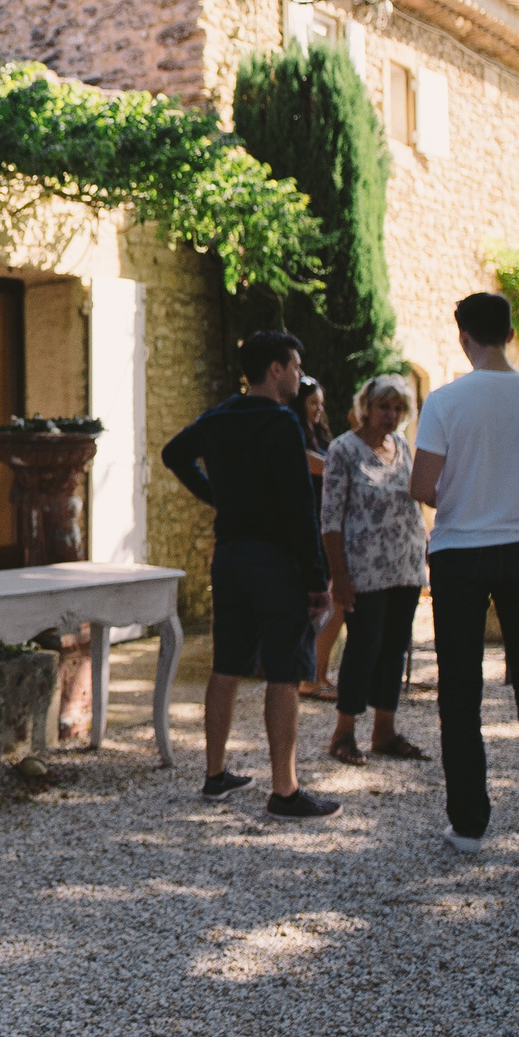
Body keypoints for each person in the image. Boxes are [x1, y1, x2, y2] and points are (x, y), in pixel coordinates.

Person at [408, 293, 519, 863]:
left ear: (464, 336)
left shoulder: (445, 400)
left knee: (460, 690)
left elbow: (423, 485)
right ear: (509, 333)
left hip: (461, 551)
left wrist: (466, 492)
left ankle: (469, 825)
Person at [159, 329, 340, 820]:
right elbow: (299, 506)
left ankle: (215, 775)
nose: (300, 377)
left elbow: (173, 454)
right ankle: (285, 791)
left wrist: (218, 495)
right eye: (296, 367)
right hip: (274, 561)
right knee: (284, 672)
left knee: (227, 664)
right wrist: (316, 577)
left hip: (230, 556)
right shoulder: (281, 422)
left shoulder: (218, 417)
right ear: (276, 369)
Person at [319, 375, 430, 766]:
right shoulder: (343, 449)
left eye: (398, 408)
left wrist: (426, 554)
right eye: (385, 406)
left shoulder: (400, 446)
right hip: (363, 570)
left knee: (395, 648)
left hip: (405, 566)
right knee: (364, 646)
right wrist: (339, 577)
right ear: (367, 406)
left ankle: (385, 730)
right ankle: (344, 732)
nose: (391, 415)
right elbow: (330, 518)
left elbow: (413, 504)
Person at [293, 377, 343, 702]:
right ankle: (308, 677)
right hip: (308, 527)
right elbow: (318, 466)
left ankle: (319, 673)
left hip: (326, 522)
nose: (319, 408)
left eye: (320, 402)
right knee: (316, 603)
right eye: (313, 402)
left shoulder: (320, 434)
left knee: (331, 601)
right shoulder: (293, 435)